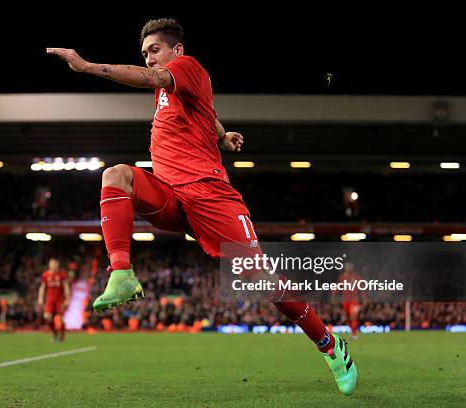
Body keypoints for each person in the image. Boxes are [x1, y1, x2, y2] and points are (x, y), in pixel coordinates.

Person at [47, 18, 357, 394]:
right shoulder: (174, 89)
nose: (148, 60)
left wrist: (86, 67)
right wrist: (223, 134)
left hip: (211, 197)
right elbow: (204, 113)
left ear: (177, 50)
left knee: (262, 280)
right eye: (144, 54)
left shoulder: (186, 68)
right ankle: (122, 274)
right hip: (171, 195)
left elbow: (153, 80)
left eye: (154, 51)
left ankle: (330, 343)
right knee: (115, 175)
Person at [37, 259, 70, 342]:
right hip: (50, 300)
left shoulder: (62, 274)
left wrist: (67, 299)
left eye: (55, 264)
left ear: (58, 265)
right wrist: (40, 298)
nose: (54, 266)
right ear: (49, 265)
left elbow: (66, 287)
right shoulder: (46, 275)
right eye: (52, 264)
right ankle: (54, 333)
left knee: (60, 319)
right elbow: (42, 287)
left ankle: (62, 335)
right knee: (47, 317)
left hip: (60, 300)